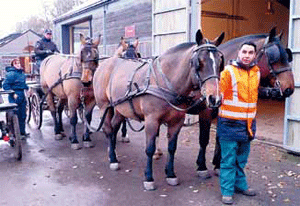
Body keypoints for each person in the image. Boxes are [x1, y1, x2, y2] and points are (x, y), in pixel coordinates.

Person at [217, 41, 259, 205]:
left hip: (247, 125)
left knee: (241, 159)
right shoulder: (228, 72)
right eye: (244, 52)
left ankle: (240, 185)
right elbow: (219, 91)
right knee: (228, 160)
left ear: (255, 55)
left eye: (250, 53)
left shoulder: (257, 72)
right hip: (229, 124)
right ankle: (227, 191)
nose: (247, 56)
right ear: (238, 53)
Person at [3, 58, 29, 139]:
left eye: (18, 63)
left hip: (22, 94)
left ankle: (22, 132)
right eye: (16, 63)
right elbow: (5, 86)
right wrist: (12, 93)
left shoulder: (21, 73)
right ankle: (15, 133)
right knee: (15, 114)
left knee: (23, 114)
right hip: (14, 95)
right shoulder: (10, 74)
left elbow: (23, 84)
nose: (18, 65)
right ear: (13, 65)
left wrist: (28, 88)